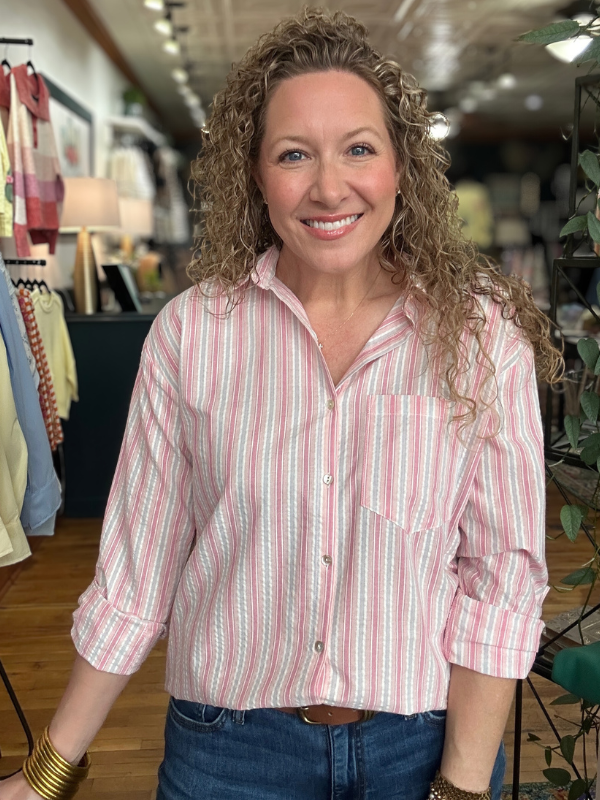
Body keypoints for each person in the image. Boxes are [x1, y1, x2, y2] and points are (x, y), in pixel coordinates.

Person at [0, 8, 563, 800]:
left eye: (359, 150)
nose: (329, 187)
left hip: (424, 748)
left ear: (400, 168)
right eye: (294, 154)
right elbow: (136, 573)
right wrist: (47, 772)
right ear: (256, 174)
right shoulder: (191, 337)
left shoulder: (479, 339)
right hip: (228, 753)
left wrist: (462, 786)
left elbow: (499, 578)